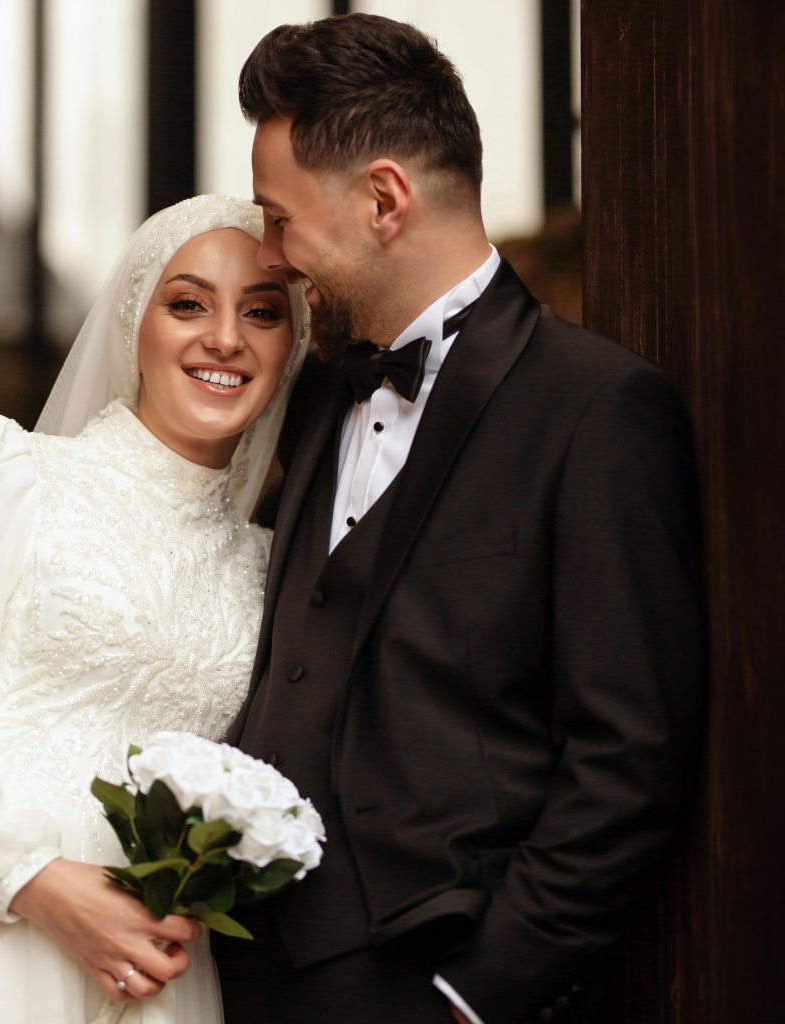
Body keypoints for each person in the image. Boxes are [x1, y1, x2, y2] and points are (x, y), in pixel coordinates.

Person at [213, 14, 706, 1024]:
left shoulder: (597, 408)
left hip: (430, 975)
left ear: (383, 198)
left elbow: (628, 754)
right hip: (245, 974)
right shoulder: (314, 390)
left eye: (279, 216)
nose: (269, 254)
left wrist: (477, 994)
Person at [0, 194, 309, 1024]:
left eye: (263, 312)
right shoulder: (9, 473)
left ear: (290, 351)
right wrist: (34, 882)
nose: (225, 338)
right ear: (131, 326)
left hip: (155, 975)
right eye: (188, 303)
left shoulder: (267, 564)